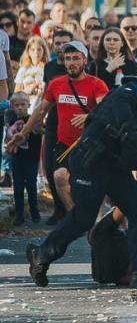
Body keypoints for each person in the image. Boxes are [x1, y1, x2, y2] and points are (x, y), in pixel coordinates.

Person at [22, 65, 137, 289]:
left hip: (111, 166)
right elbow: (121, 105)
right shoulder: (133, 91)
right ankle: (41, 255)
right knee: (84, 217)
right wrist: (132, 130)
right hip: (91, 163)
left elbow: (130, 158)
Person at [27, 42, 110, 214]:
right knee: (59, 176)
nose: (71, 62)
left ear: (84, 60)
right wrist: (23, 133)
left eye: (76, 58)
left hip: (90, 144)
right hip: (65, 144)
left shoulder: (97, 84)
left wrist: (89, 117)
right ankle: (76, 216)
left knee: (94, 185)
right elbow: (41, 110)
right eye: (67, 59)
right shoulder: (56, 84)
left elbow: (106, 110)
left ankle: (98, 220)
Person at [40, 30, 72, 225]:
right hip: (53, 121)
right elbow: (46, 95)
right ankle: (59, 209)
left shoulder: (76, 66)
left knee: (70, 169)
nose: (61, 46)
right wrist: (38, 118)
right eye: (58, 42)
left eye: (65, 43)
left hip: (73, 123)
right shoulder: (50, 67)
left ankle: (72, 208)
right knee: (51, 167)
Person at [5, 92, 42, 225]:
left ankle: (34, 211)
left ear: (28, 105)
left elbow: (40, 130)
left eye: (23, 104)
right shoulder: (11, 122)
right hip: (17, 158)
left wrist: (37, 129)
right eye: (16, 105)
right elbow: (8, 137)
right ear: (12, 107)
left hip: (31, 158)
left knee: (31, 186)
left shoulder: (33, 120)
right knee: (18, 186)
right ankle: (19, 213)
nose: (20, 108)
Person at [14, 36, 49, 111]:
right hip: (27, 110)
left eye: (39, 49)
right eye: (33, 50)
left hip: (43, 109)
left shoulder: (48, 68)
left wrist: (43, 90)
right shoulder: (23, 69)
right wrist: (26, 90)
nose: (36, 53)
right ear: (28, 52)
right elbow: (16, 93)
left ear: (44, 51)